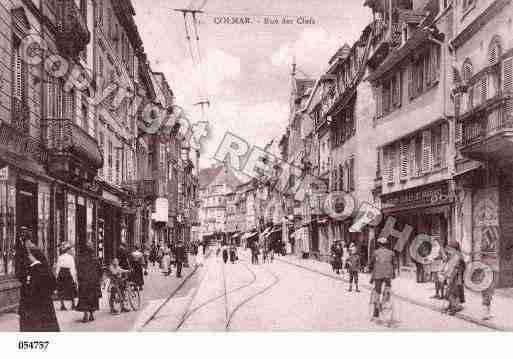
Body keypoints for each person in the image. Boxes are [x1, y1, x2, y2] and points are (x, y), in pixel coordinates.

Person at [19, 246, 60, 332]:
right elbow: (53, 285)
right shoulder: (44, 268)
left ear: (33, 256)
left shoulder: (34, 269)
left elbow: (28, 289)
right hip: (45, 306)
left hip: (33, 307)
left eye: (29, 255)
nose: (27, 257)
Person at [370, 237, 396, 320]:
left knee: (377, 291)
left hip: (378, 274)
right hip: (388, 274)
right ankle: (385, 302)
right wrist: (393, 273)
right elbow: (394, 264)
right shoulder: (391, 253)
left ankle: (376, 312)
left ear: (379, 244)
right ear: (386, 244)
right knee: (387, 289)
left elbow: (371, 263)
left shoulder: (375, 252)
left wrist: (370, 269)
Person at [76, 241, 102, 322]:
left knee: (84, 298)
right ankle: (91, 314)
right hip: (93, 282)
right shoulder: (95, 259)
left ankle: (85, 314)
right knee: (93, 299)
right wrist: (99, 280)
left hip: (84, 281)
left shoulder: (81, 259)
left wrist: (79, 279)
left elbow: (79, 270)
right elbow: (99, 271)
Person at [442, 241, 465, 316]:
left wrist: (451, 276)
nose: (449, 249)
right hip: (452, 276)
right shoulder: (454, 255)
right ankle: (452, 305)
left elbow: (457, 268)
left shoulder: (458, 256)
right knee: (452, 291)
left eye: (450, 248)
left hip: (456, 277)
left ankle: (455, 307)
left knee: (453, 292)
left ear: (454, 248)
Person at [55, 243, 77, 311]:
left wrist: (56, 276)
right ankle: (73, 305)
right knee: (71, 289)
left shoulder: (60, 257)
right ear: (67, 250)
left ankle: (62, 305)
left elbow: (58, 268)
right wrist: (74, 278)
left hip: (61, 273)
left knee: (61, 289)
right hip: (68, 273)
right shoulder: (71, 257)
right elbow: (72, 268)